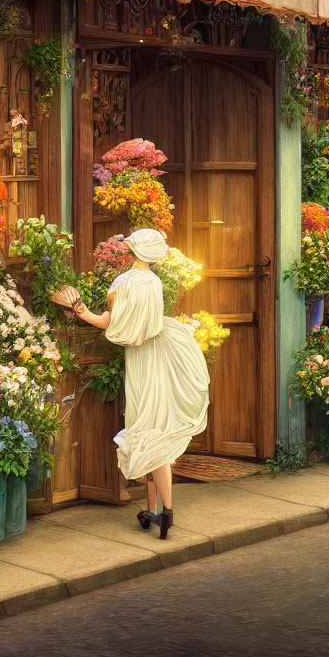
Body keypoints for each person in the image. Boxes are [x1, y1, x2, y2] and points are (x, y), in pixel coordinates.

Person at [72, 228, 210, 539]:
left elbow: (109, 321)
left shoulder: (124, 282)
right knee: (156, 428)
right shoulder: (156, 282)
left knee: (145, 428)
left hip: (141, 360)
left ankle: (160, 512)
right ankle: (160, 511)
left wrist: (83, 313)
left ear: (132, 252)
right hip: (160, 352)